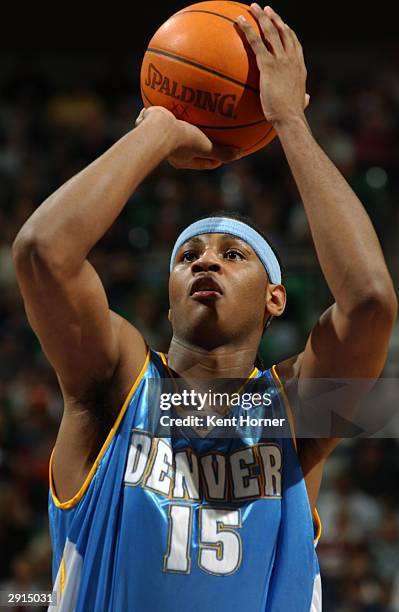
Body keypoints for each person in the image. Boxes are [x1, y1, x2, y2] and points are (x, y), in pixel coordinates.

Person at [12, 4, 396, 612]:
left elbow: (371, 300)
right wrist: (157, 130)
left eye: (234, 254)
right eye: (187, 254)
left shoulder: (295, 415)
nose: (205, 262)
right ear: (167, 298)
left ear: (277, 297)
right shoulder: (113, 387)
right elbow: (40, 252)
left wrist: (289, 120)